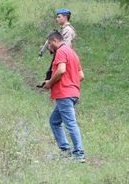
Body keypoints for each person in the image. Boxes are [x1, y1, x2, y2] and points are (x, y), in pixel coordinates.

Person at [43, 31, 85, 162]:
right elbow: (81, 76)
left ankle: (79, 153)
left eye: (49, 44)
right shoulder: (72, 52)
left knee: (70, 123)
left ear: (54, 41)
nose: (49, 47)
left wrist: (50, 83)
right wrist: (70, 81)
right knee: (54, 121)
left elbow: (61, 70)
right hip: (73, 93)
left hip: (64, 94)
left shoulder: (61, 51)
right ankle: (65, 150)